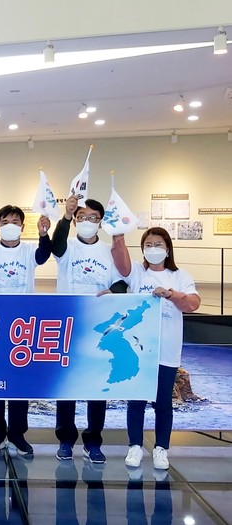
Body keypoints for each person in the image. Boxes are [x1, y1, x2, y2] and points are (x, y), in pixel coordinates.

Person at [111, 227, 200, 470]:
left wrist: (171, 294)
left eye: (158, 244)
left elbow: (193, 303)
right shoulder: (138, 272)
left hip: (166, 349)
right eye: (148, 245)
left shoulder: (179, 275)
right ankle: (135, 446)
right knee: (136, 400)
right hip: (138, 350)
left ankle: (161, 448)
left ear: (168, 248)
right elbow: (121, 264)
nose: (153, 249)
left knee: (163, 402)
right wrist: (118, 236)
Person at [0, 205, 52, 457]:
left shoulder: (28, 251)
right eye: (5, 222)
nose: (10, 225)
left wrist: (44, 234)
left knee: (18, 382)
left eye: (15, 222)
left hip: (22, 327)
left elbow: (43, 256)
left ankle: (17, 434)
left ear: (23, 227)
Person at [51, 195, 126, 464]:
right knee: (68, 384)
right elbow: (56, 245)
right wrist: (65, 216)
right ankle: (65, 439)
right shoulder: (67, 247)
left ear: (101, 222)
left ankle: (93, 440)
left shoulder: (108, 250)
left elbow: (122, 281)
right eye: (82, 217)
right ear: (75, 221)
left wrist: (114, 291)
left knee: (97, 384)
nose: (87, 221)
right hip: (69, 324)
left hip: (100, 326)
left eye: (93, 217)